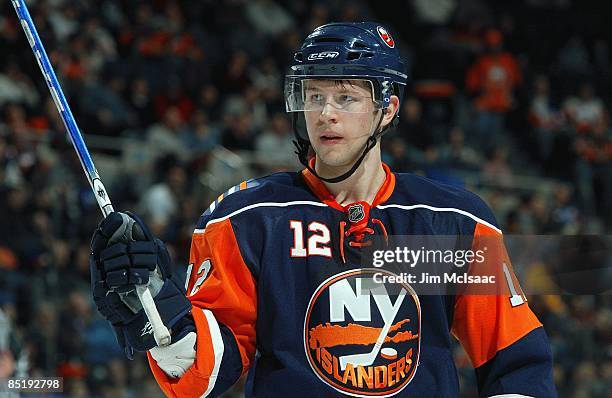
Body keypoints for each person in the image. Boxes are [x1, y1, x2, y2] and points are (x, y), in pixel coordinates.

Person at [89, 22, 557, 397]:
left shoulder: (448, 223)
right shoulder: (248, 220)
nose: (325, 113)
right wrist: (161, 317)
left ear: (387, 110)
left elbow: (515, 360)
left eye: (346, 97)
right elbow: (209, 375)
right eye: (314, 97)